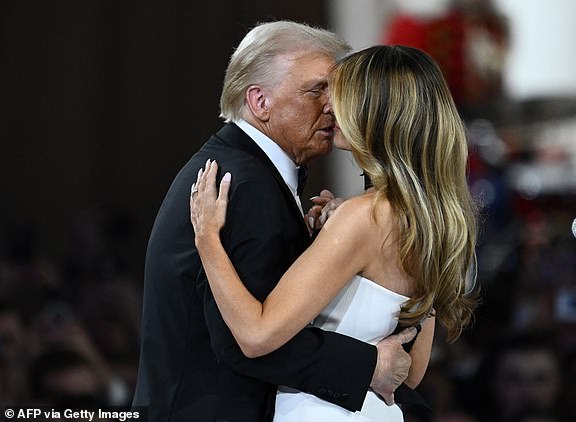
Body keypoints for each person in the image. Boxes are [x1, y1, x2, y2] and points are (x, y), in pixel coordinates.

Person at [132, 21, 417, 422]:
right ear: (259, 101)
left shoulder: (250, 171)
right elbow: (242, 339)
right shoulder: (243, 184)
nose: (333, 106)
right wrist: (369, 365)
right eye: (316, 89)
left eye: (335, 91)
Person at [190, 45, 480, 421]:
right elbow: (412, 369)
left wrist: (208, 240)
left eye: (340, 96)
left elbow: (256, 335)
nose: (329, 108)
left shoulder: (365, 217)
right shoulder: (425, 218)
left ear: (373, 113)